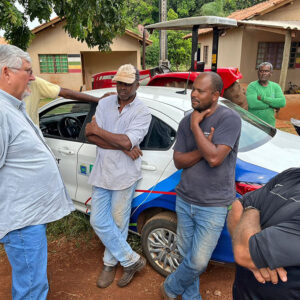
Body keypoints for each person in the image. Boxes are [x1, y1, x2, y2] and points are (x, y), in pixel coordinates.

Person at [0, 45, 74, 299]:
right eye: (28, 71)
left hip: (27, 218)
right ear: (6, 72)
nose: (32, 77)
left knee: (32, 281)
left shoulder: (13, 106)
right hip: (21, 221)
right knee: (32, 286)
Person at [160, 72, 241, 300]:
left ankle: (170, 288)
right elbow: (179, 161)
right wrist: (205, 148)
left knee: (197, 261)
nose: (194, 94)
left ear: (216, 95)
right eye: (193, 89)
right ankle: (191, 298)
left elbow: (216, 159)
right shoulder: (186, 120)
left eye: (200, 91)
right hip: (185, 200)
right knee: (186, 255)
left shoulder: (229, 120)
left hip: (213, 205)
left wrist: (197, 128)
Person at [85, 64, 151, 288]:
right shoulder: (104, 103)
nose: (122, 87)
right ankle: (131, 259)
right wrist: (123, 146)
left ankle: (109, 263)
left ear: (137, 85)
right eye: (119, 83)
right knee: (97, 220)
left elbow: (120, 138)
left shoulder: (143, 111)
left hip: (125, 175)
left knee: (119, 222)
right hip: (102, 171)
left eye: (127, 83)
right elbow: (89, 136)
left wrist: (106, 135)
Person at [227, 168, 300, 300]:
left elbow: (244, 252)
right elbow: (237, 206)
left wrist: (249, 211)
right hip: (242, 291)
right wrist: (250, 210)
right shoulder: (291, 175)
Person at [24, 76, 101, 125]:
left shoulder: (34, 82)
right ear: (11, 73)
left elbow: (66, 93)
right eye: (27, 71)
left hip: (33, 138)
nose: (32, 77)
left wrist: (98, 99)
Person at [246, 62, 286, 126]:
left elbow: (282, 102)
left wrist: (263, 98)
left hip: (270, 124)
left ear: (271, 73)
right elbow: (253, 104)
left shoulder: (276, 86)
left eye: (266, 71)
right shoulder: (252, 86)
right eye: (261, 71)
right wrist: (272, 105)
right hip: (254, 124)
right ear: (258, 73)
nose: (263, 73)